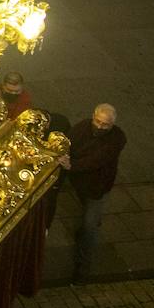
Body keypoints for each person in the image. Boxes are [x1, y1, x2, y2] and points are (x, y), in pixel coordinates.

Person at [59, 103, 127, 283]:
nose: (100, 127)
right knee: (87, 214)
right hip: (79, 182)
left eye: (105, 125)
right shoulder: (82, 128)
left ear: (112, 124)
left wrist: (72, 165)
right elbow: (69, 143)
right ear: (93, 117)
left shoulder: (117, 138)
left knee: (89, 226)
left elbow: (98, 160)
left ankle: (83, 268)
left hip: (97, 187)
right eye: (98, 122)